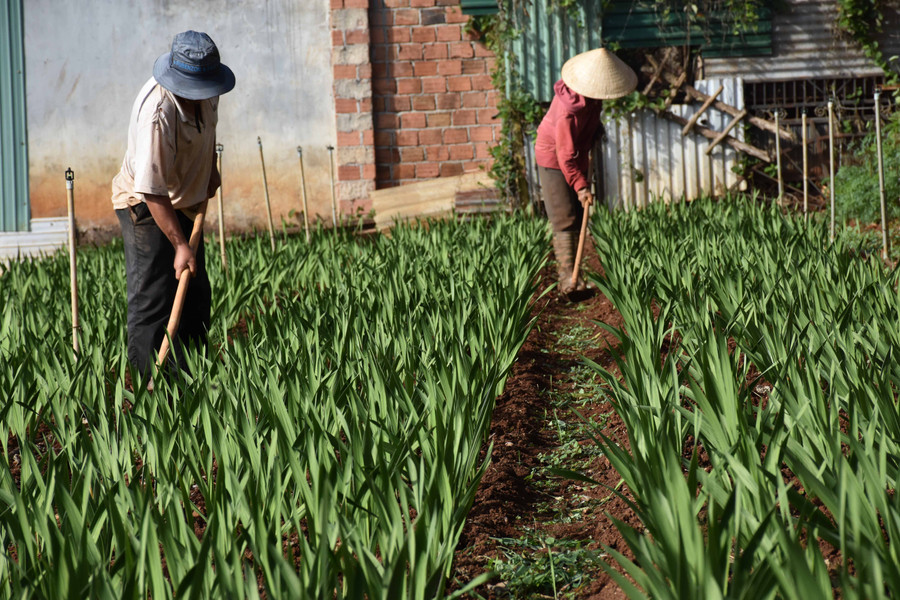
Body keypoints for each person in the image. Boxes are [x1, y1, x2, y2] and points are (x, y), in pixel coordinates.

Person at [111, 30, 235, 378]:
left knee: (195, 293)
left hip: (184, 202)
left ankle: (190, 378)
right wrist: (180, 244)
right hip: (146, 204)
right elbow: (151, 189)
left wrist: (209, 170)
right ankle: (148, 390)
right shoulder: (158, 112)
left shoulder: (209, 91)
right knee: (154, 297)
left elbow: (207, 132)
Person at [534, 48, 637, 295]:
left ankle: (577, 277)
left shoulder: (592, 99)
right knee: (564, 217)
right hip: (553, 158)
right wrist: (580, 187)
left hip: (574, 154)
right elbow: (564, 154)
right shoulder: (568, 111)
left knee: (580, 217)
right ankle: (567, 281)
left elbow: (582, 140)